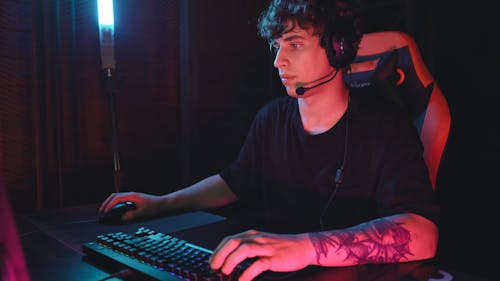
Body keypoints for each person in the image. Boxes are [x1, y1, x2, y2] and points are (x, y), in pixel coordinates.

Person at [99, 0, 439, 280]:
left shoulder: (384, 127)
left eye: (294, 44)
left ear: (338, 49)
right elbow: (234, 182)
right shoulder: (272, 118)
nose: (279, 62)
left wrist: (304, 247)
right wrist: (160, 203)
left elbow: (423, 233)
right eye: (276, 47)